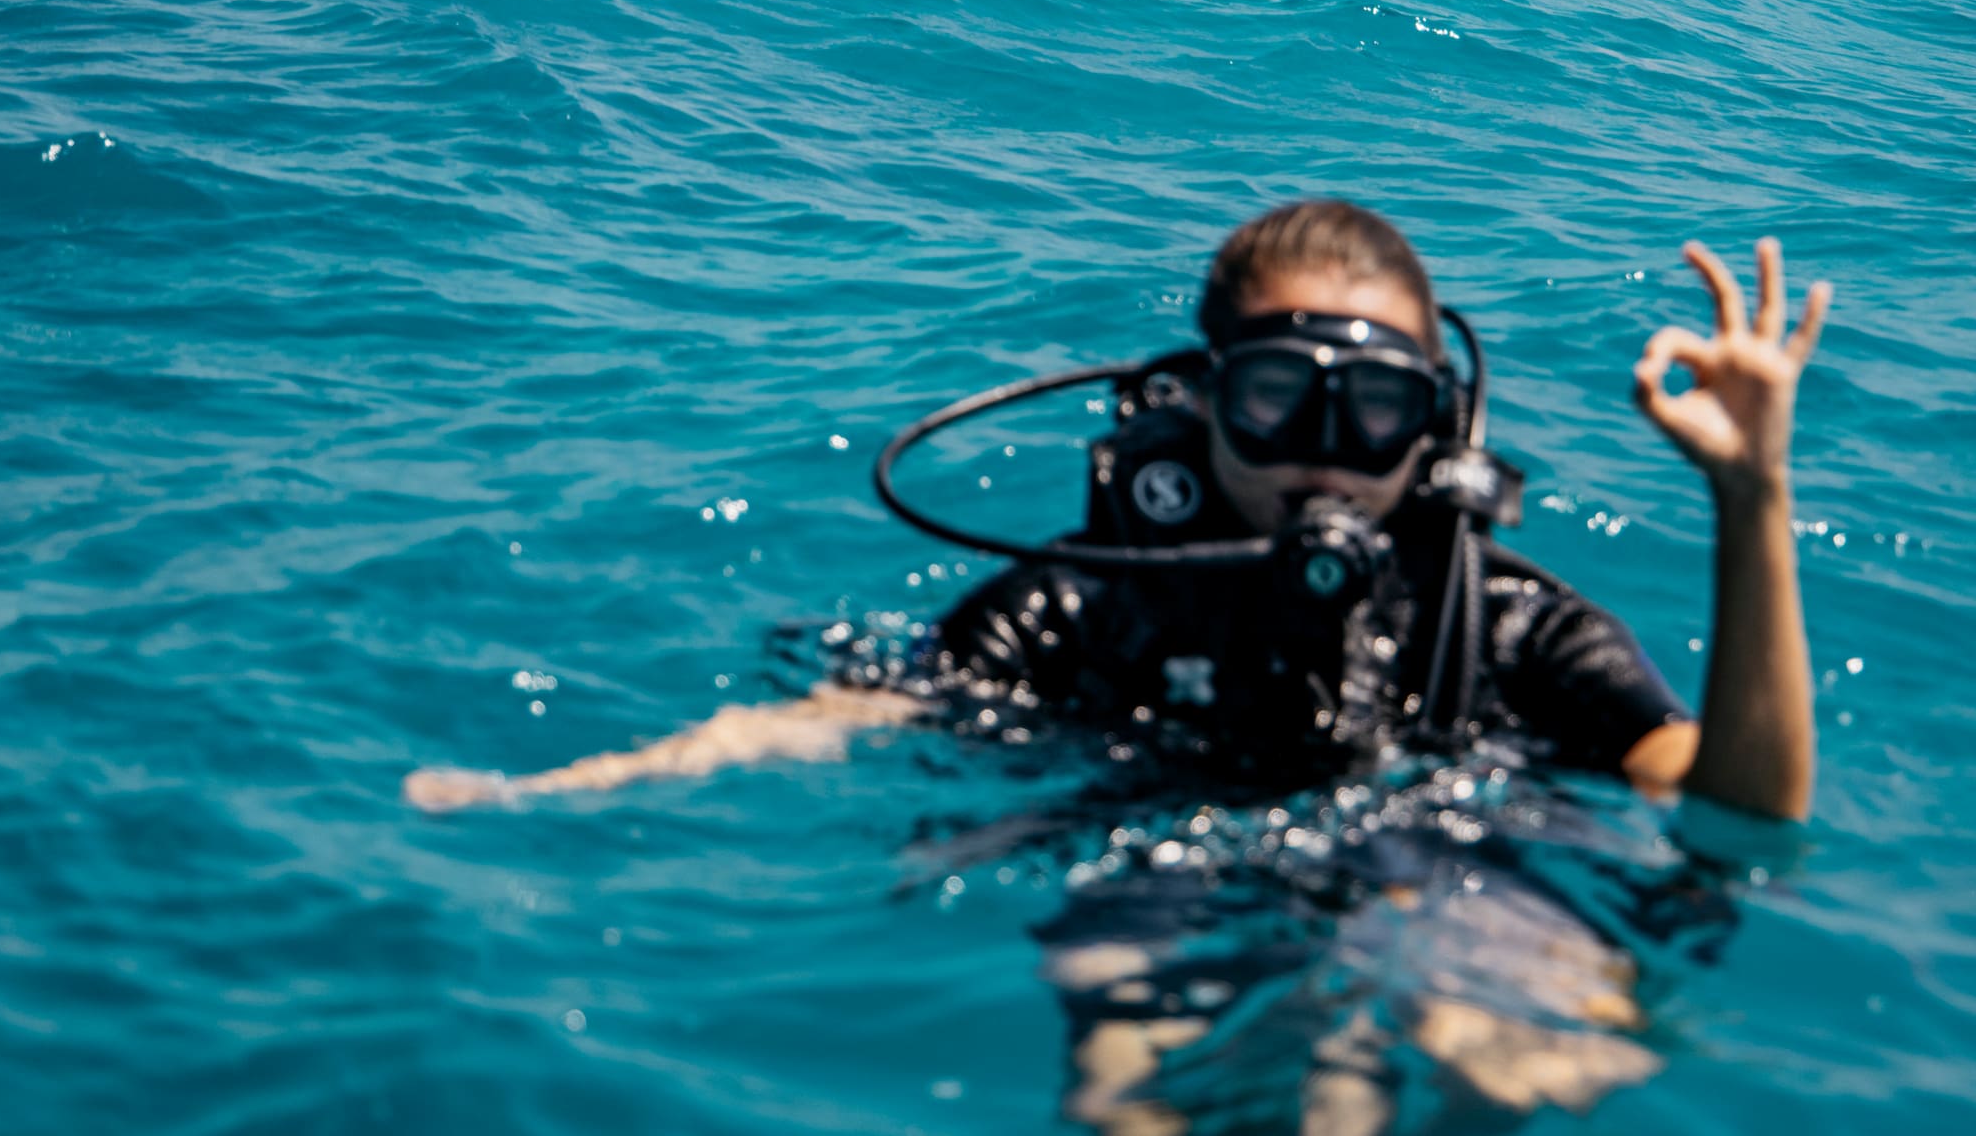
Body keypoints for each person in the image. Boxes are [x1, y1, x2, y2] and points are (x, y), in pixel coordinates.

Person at [405, 199, 1829, 821]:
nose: (1326, 457)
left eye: (1376, 411)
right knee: (1129, 1048)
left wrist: (1753, 497)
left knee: (1513, 1037)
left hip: (1458, 874)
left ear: (1438, 432)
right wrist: (553, 791)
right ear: (1198, 408)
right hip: (1158, 858)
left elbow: (1745, 809)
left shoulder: (1503, 625)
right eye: (1279, 401)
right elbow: (835, 720)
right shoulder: (1087, 598)